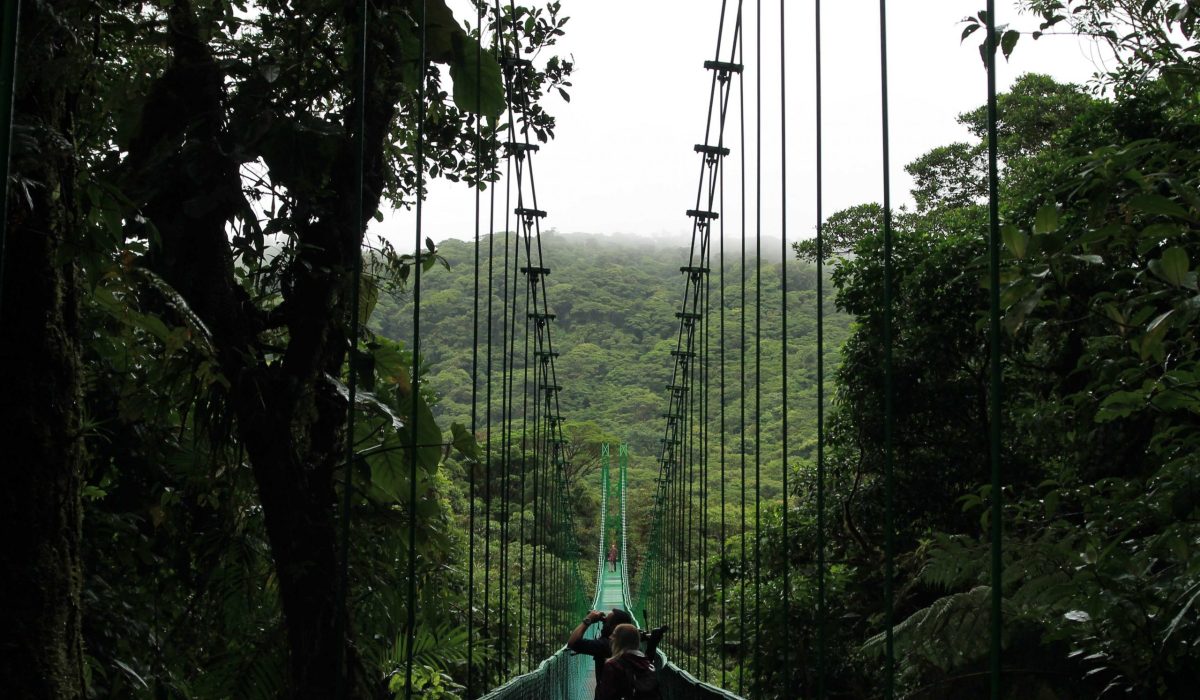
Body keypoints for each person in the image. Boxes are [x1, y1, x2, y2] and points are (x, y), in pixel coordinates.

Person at [567, 608, 634, 696]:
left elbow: (573, 643)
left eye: (606, 622)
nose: (603, 623)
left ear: (614, 627)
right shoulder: (630, 643)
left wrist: (588, 620)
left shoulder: (606, 645)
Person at [595, 623, 660, 700]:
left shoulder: (613, 665)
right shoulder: (647, 663)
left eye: (614, 635)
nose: (610, 637)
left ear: (620, 640)